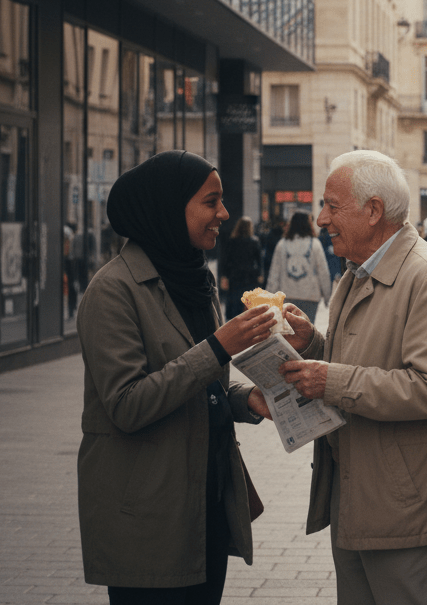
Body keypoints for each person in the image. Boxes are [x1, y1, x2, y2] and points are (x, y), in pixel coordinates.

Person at [277, 150, 427, 605]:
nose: (320, 219)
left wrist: (328, 379)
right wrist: (313, 343)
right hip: (360, 493)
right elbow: (365, 356)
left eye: (332, 206)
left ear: (373, 211)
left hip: (407, 504)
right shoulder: (357, 271)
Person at [75, 150, 276, 604]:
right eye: (211, 202)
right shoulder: (112, 290)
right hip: (148, 515)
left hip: (203, 506)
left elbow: (199, 379)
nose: (224, 213)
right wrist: (220, 346)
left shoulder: (192, 278)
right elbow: (127, 405)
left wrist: (246, 400)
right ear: (169, 207)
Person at [265, 211, 332, 322]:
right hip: (310, 296)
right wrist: (326, 296)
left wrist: (270, 297)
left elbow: (274, 273)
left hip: (287, 295)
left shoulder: (282, 244)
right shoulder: (315, 244)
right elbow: (323, 272)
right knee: (307, 331)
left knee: (289, 332)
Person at [219, 216, 262, 320]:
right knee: (249, 303)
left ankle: (235, 324)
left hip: (235, 275)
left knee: (235, 302)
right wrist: (260, 274)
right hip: (250, 276)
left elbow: (226, 260)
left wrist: (224, 276)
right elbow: (259, 260)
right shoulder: (254, 241)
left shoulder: (231, 242)